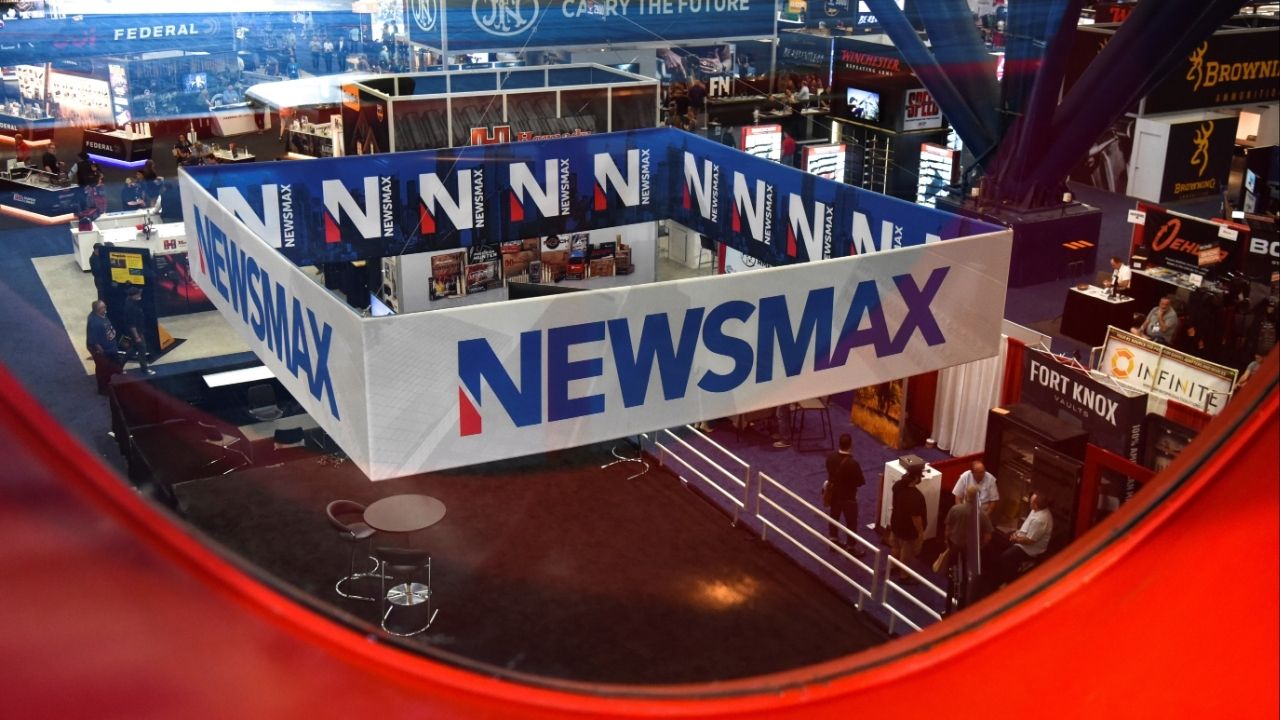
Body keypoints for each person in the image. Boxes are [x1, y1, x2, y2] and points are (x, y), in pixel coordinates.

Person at [824, 433, 866, 557]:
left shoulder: (830, 457)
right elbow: (860, 482)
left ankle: (833, 540)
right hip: (849, 497)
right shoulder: (853, 464)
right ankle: (851, 547)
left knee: (834, 517)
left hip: (834, 495)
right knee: (851, 522)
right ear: (850, 445)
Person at [998, 493, 1053, 585]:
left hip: (1029, 549)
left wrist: (1016, 538)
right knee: (1001, 539)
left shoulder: (1040, 520)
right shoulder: (1035, 509)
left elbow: (1029, 541)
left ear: (1036, 505)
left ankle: (1010, 582)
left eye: (1031, 502)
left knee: (1006, 557)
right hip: (1020, 536)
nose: (1029, 502)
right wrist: (1016, 532)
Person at [889, 464, 928, 581]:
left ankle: (893, 566)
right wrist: (921, 533)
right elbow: (916, 518)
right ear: (916, 478)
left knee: (895, 547)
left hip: (896, 522)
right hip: (908, 530)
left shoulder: (897, 485)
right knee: (906, 554)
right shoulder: (916, 496)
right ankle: (903, 576)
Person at [85, 300, 121, 394]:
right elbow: (92, 340)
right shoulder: (95, 323)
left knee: (111, 365)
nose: (106, 308)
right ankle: (103, 389)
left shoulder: (100, 315)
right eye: (104, 307)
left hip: (110, 346)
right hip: (102, 350)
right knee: (102, 369)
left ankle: (112, 380)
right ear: (99, 310)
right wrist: (99, 350)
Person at [122, 286, 154, 375]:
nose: (139, 295)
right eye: (138, 294)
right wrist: (137, 337)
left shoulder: (131, 301)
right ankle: (144, 369)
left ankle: (119, 365)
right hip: (136, 332)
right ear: (133, 295)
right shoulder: (131, 307)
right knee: (142, 349)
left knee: (133, 350)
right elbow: (132, 324)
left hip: (138, 330)